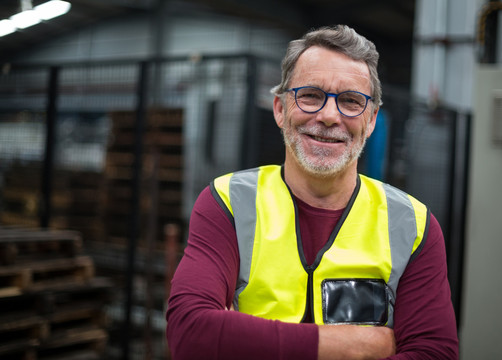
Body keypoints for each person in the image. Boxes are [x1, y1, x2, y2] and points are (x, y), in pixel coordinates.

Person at [166, 25, 459, 359]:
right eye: (310, 95)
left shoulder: (413, 227)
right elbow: (189, 334)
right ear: (279, 108)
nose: (329, 116)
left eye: (351, 101)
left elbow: (435, 354)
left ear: (372, 119)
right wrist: (356, 346)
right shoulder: (228, 203)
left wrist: (240, 338)